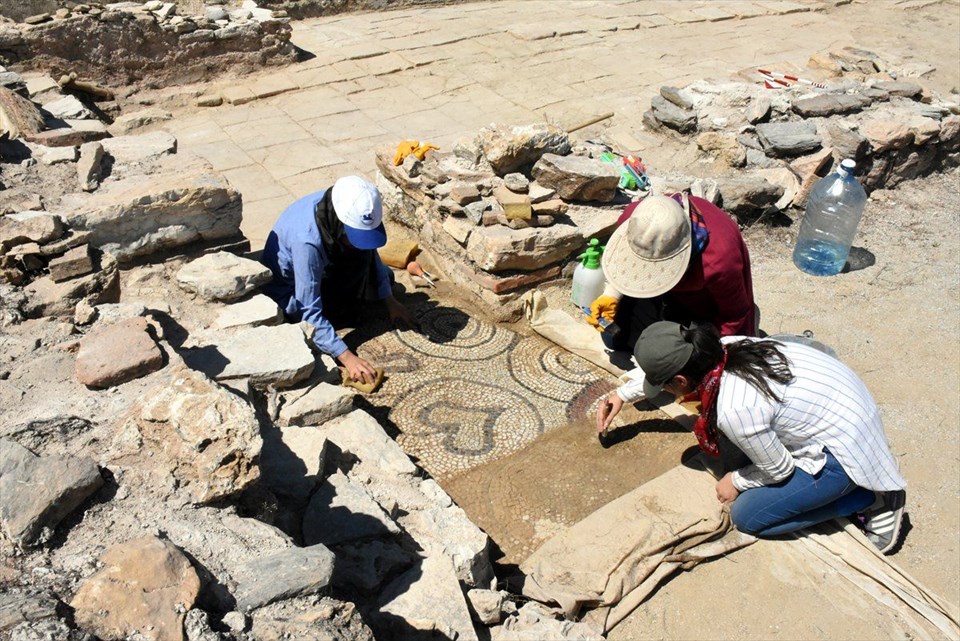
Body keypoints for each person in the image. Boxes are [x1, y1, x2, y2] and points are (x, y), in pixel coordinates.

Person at [598, 321, 907, 553]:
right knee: (733, 443)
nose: (664, 392)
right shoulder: (724, 347)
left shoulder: (736, 409)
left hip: (845, 454)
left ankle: (866, 497)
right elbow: (670, 373)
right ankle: (858, 481)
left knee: (749, 515)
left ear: (680, 380)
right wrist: (623, 393)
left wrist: (737, 481)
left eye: (664, 387)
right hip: (847, 412)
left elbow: (779, 470)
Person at [260, 176, 417, 384]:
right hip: (290, 289)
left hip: (326, 267)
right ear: (339, 226)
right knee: (311, 320)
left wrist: (389, 300)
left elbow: (370, 254)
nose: (358, 245)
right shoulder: (307, 243)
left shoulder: (341, 206)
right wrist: (346, 357)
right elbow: (309, 309)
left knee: (383, 277)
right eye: (353, 239)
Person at [588, 194, 755, 351]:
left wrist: (713, 349)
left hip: (703, 304)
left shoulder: (719, 259)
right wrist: (612, 294)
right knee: (617, 339)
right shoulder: (638, 218)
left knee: (681, 357)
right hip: (667, 295)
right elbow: (628, 261)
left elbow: (734, 315)